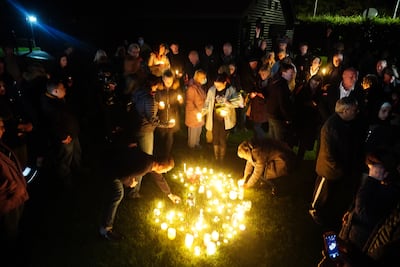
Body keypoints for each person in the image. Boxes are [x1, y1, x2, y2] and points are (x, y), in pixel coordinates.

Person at [99, 145, 181, 241]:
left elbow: (160, 179)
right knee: (118, 193)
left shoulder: (151, 161)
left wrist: (170, 194)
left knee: (116, 193)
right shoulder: (145, 166)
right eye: (166, 170)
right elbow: (123, 175)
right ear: (160, 166)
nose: (165, 172)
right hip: (112, 169)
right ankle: (106, 230)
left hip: (116, 165)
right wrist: (130, 182)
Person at [309, 97, 366, 232]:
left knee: (330, 194)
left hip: (339, 169)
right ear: (345, 111)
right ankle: (314, 210)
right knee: (322, 192)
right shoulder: (331, 127)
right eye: (354, 109)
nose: (356, 112)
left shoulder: (347, 123)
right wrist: (339, 169)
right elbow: (328, 153)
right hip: (328, 170)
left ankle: (327, 213)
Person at [0, 116, 29, 267]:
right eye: (0, 127)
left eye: (3, 126)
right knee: (9, 236)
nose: (3, 129)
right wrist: (12, 189)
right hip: (7, 203)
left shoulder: (2, 146)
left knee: (16, 230)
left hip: (16, 198)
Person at [203, 72, 243, 163]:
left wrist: (229, 103)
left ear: (225, 83)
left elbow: (240, 103)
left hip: (225, 120)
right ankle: (216, 157)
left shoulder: (231, 90)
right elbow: (207, 102)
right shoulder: (212, 90)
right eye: (215, 85)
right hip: (214, 118)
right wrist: (203, 111)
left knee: (222, 139)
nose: (217, 87)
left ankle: (221, 159)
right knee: (215, 138)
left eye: (219, 86)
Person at [185, 69, 207, 149]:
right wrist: (197, 112)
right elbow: (189, 103)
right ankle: (191, 146)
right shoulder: (192, 88)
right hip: (193, 114)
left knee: (199, 130)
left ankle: (196, 143)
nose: (204, 79)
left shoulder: (200, 87)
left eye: (204, 77)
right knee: (193, 131)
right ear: (197, 77)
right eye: (202, 77)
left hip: (200, 113)